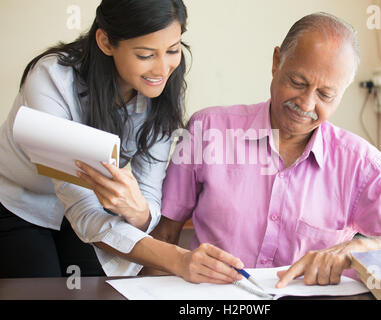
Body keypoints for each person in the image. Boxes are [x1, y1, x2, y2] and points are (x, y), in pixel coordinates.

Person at [152, 12, 381, 287]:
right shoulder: (207, 130)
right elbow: (164, 234)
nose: (305, 104)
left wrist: (358, 247)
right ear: (277, 61)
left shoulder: (360, 165)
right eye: (297, 82)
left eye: (325, 95)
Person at [0, 0, 244, 284]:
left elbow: (148, 195)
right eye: (145, 54)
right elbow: (82, 208)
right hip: (23, 202)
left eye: (173, 50)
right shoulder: (52, 77)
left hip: (88, 207)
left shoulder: (163, 88)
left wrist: (138, 211)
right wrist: (178, 259)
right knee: (40, 287)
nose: (163, 69)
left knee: (94, 288)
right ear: (105, 41)